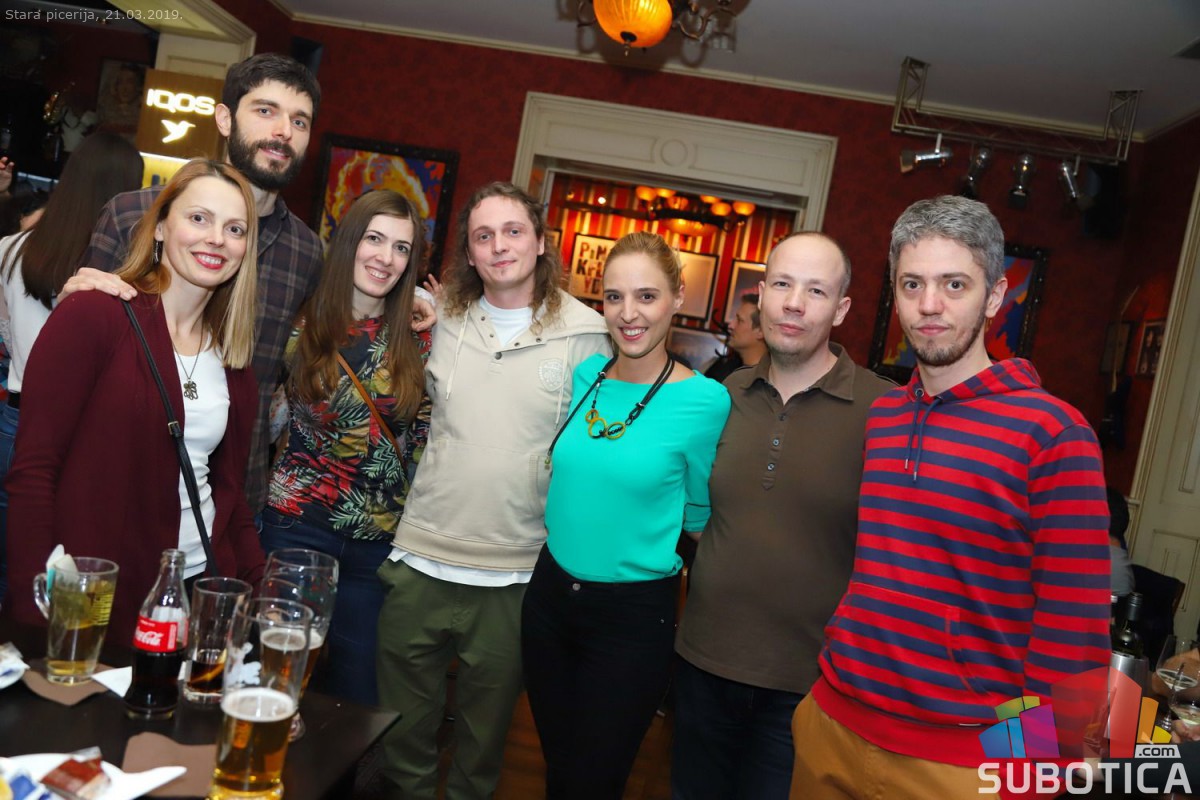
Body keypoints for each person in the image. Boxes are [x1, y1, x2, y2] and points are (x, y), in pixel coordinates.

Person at [791, 196, 1110, 797]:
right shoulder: (885, 417)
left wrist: (1034, 774)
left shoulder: (1053, 434)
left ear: (995, 296)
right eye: (912, 284)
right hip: (833, 722)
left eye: (954, 284)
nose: (929, 305)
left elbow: (1071, 632)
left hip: (963, 760)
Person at [375, 182, 610, 799]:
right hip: (421, 558)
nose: (499, 246)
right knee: (401, 738)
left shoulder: (590, 335)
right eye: (484, 236)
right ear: (470, 253)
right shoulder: (439, 319)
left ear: (541, 242)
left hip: (517, 573)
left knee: (481, 752)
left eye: (513, 231)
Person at [5, 159, 266, 645]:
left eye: (235, 229)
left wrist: (263, 598)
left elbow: (231, 498)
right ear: (161, 226)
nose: (216, 239)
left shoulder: (234, 360)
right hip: (96, 593)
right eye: (199, 218)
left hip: (196, 593)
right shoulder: (95, 315)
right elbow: (34, 470)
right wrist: (40, 601)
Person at [672, 233, 893, 799]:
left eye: (816, 290)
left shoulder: (884, 410)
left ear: (841, 309)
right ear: (762, 293)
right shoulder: (723, 395)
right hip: (702, 665)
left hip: (809, 686)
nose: (794, 303)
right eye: (783, 284)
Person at [522, 232, 729, 799]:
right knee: (559, 770)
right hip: (548, 600)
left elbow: (699, 514)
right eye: (614, 297)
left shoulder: (705, 401)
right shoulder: (586, 375)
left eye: (646, 296)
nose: (628, 313)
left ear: (677, 297)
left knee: (594, 782)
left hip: (631, 619)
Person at [76, 53, 325, 517]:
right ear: (225, 119)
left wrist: (418, 298)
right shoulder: (134, 216)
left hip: (233, 501)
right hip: (116, 485)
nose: (283, 131)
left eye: (299, 121)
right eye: (266, 110)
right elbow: (76, 362)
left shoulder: (306, 252)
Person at [263, 190, 431, 706]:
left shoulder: (422, 337)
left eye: (401, 248)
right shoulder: (298, 321)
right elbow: (262, 419)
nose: (386, 257)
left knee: (356, 699)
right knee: (277, 683)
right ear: (349, 241)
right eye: (374, 239)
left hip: (376, 547)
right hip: (295, 529)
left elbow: (425, 444)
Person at [0, 132, 143, 607]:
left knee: (12, 565)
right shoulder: (117, 272)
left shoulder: (11, 249)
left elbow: (6, 336)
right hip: (75, 434)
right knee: (63, 573)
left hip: (13, 419)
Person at [705, 293, 767, 383]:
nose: (730, 325)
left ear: (760, 331)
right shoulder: (723, 369)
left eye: (739, 320)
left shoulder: (766, 381)